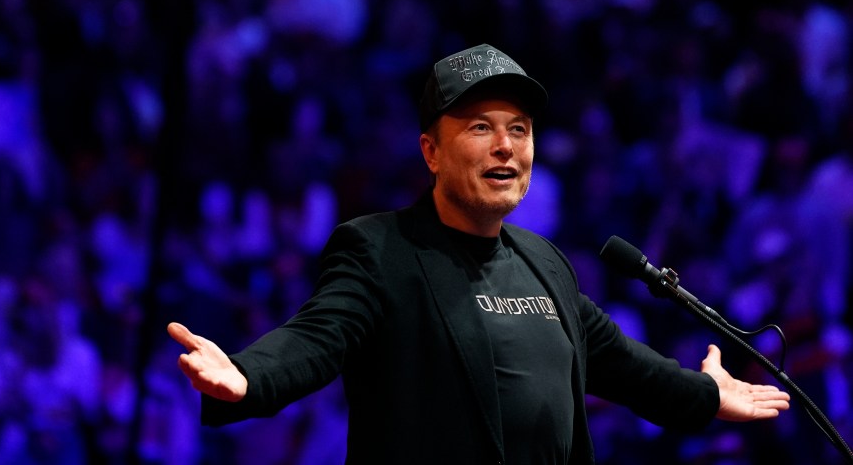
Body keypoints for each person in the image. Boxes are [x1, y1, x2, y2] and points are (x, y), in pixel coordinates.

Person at [168, 43, 790, 464]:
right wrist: (251, 377)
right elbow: (318, 336)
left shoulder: (545, 263)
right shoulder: (380, 250)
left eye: (518, 129)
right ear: (431, 152)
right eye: (479, 127)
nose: (505, 147)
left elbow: (626, 367)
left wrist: (706, 395)